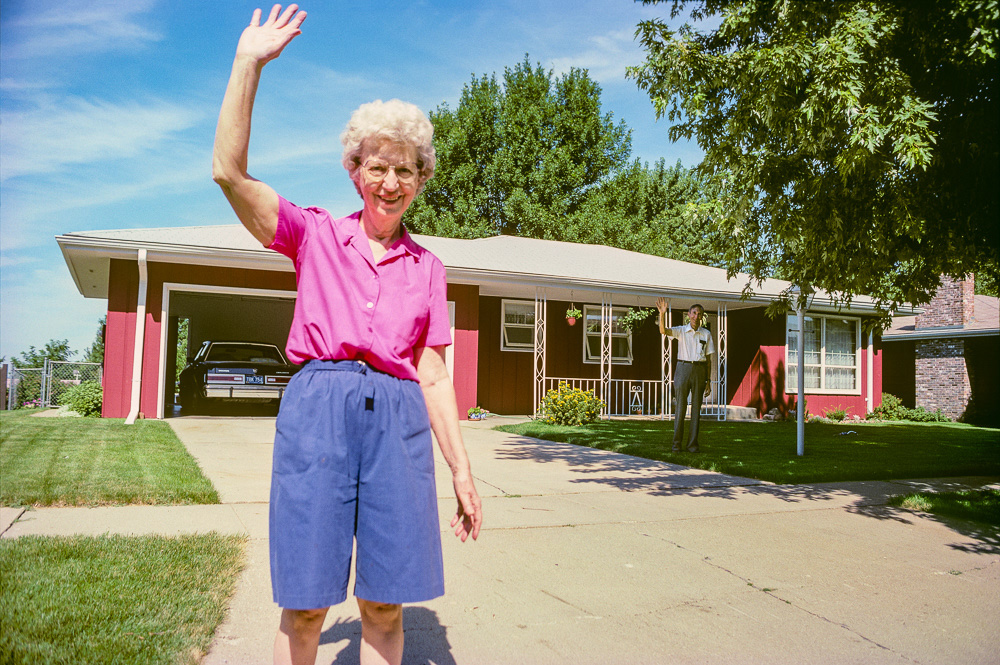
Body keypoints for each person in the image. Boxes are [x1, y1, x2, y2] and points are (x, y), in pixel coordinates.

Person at [212, 6, 482, 665]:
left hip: (398, 420)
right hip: (318, 411)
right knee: (305, 603)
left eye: (407, 170)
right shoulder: (312, 236)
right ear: (354, 170)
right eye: (378, 166)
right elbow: (228, 173)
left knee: (386, 604)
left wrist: (462, 469)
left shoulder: (429, 269)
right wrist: (248, 63)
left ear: (421, 180)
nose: (391, 182)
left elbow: (435, 374)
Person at [656, 299, 716, 453]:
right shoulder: (681, 330)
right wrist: (662, 314)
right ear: (689, 315)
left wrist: (708, 381)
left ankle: (692, 446)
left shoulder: (706, 334)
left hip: (700, 370)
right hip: (683, 369)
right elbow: (663, 331)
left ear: (702, 316)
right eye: (694, 313)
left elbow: (709, 360)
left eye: (700, 314)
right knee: (681, 408)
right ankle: (676, 445)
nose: (696, 316)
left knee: (696, 410)